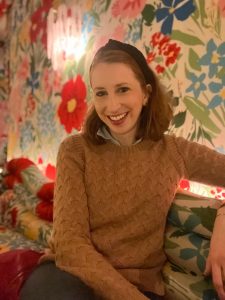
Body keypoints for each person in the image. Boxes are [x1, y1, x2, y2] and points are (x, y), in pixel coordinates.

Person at [20, 39, 225, 300]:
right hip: (70, 277)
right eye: (101, 93)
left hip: (141, 284)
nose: (112, 106)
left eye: (123, 89)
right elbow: (70, 245)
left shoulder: (174, 151)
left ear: (146, 93)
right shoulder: (75, 150)